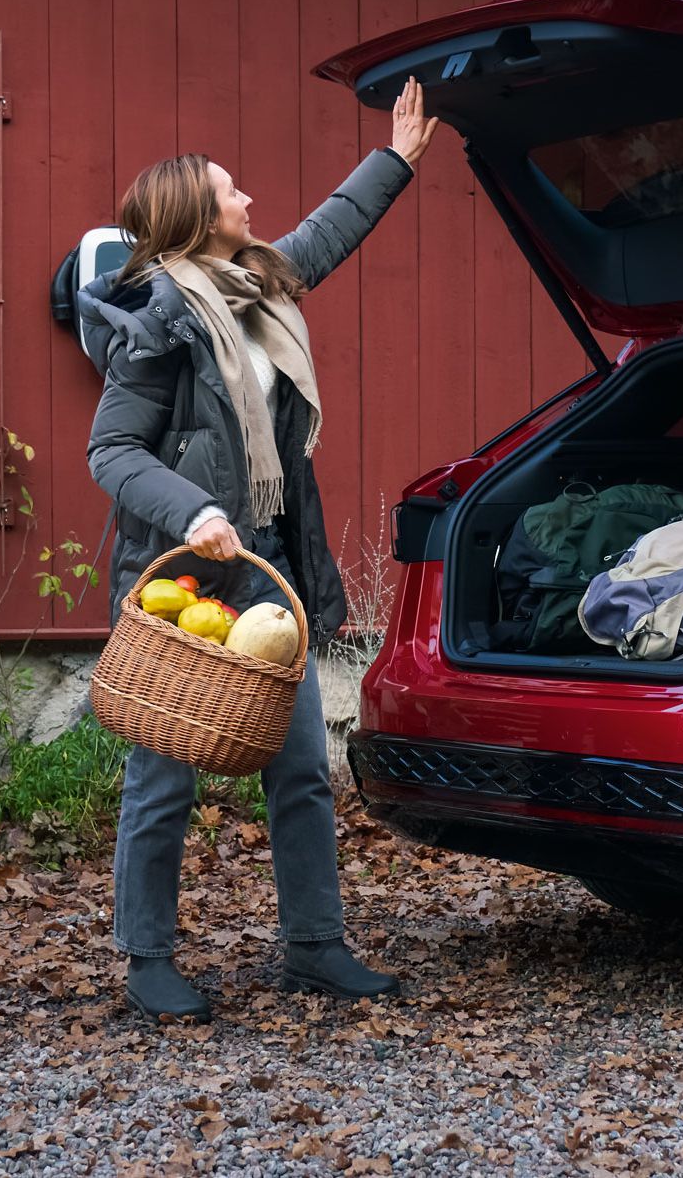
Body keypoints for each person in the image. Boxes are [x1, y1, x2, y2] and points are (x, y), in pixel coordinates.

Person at [78, 79, 439, 1022]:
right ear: (197, 218)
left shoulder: (259, 288)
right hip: (187, 579)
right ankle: (147, 958)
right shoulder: (155, 319)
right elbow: (110, 450)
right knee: (164, 776)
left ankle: (315, 946)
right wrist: (195, 509)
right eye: (232, 190)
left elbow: (324, 234)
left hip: (271, 563)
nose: (249, 200)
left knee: (302, 771)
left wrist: (395, 160)